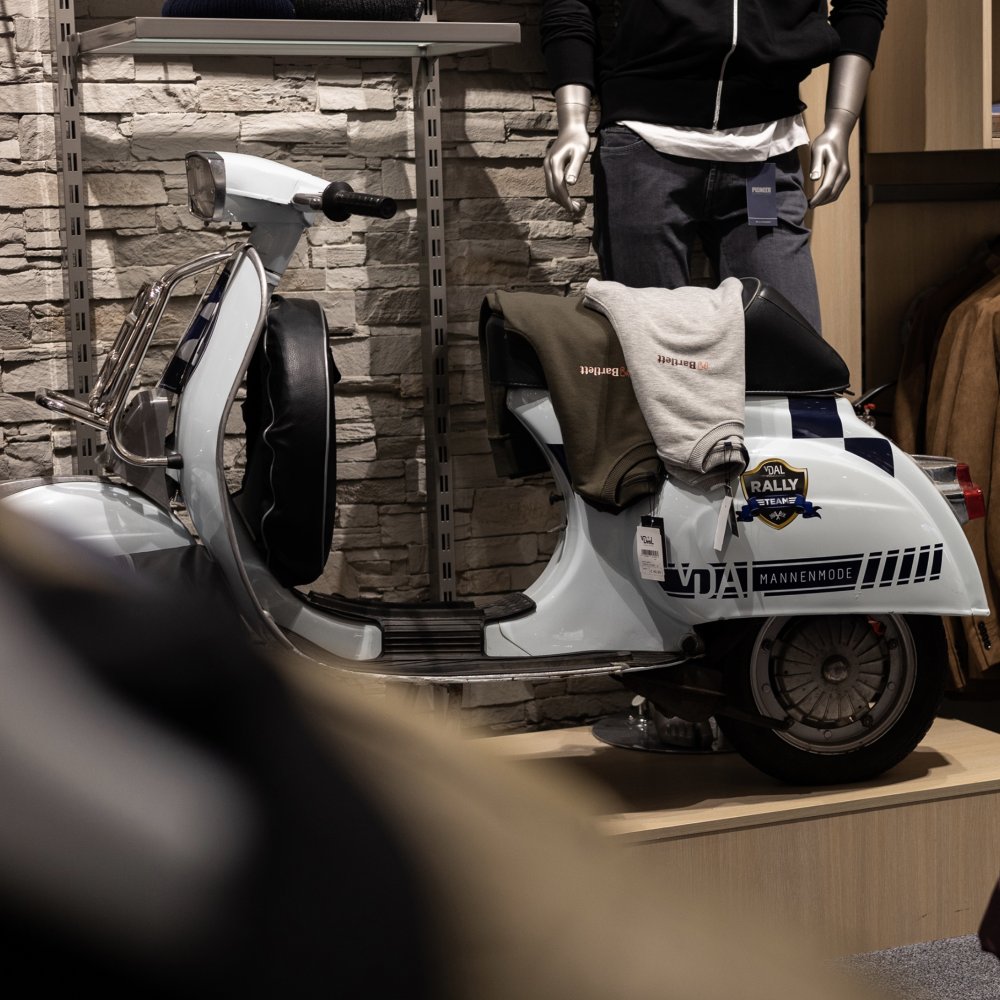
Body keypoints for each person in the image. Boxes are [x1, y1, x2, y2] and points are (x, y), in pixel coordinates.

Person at [540, 0, 888, 332]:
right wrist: (572, 120)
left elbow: (859, 4)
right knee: (655, 353)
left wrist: (840, 125)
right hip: (644, 146)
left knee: (794, 352)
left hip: (764, 155)